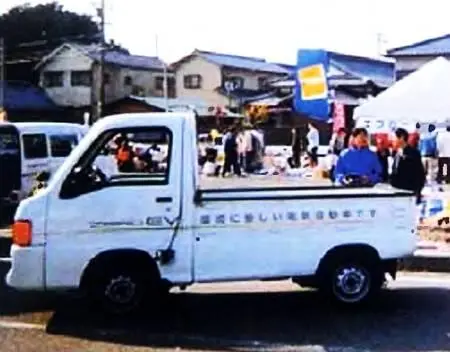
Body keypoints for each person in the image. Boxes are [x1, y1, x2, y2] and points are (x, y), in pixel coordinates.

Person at [390, 128, 426, 203]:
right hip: (397, 192)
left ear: (402, 138)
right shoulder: (396, 153)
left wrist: (417, 191)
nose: (393, 141)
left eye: (394, 138)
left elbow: (420, 174)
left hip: (410, 193)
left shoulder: (413, 153)